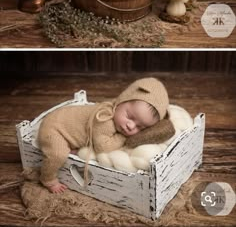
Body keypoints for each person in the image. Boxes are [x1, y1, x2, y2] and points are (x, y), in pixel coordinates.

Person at [38, 77, 169, 193]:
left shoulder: (120, 111)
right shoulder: (104, 120)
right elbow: (103, 147)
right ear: (120, 102)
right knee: (58, 154)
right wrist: (125, 137)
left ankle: (70, 143)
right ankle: (48, 179)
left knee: (72, 145)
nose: (131, 126)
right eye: (129, 116)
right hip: (55, 127)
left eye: (140, 127)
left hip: (66, 124)